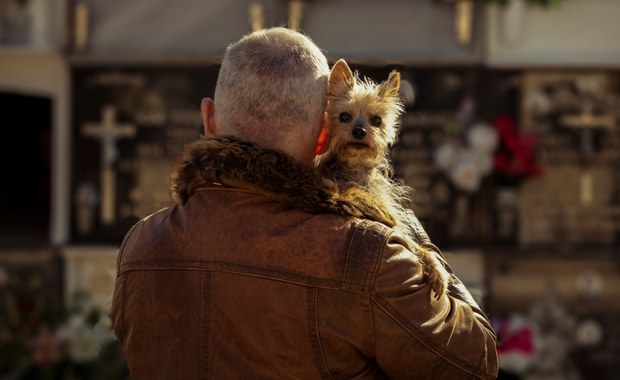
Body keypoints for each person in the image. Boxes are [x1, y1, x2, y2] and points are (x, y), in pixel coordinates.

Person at [111, 27, 498, 379]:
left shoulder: (140, 247)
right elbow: (476, 363)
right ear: (322, 136)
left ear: (208, 118)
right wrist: (411, 233)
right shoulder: (368, 255)